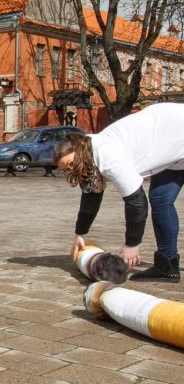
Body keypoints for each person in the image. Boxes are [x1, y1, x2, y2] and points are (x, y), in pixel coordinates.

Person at [55, 103, 184, 282]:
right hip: (172, 145)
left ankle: (167, 264)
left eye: (71, 164)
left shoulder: (108, 155)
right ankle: (167, 266)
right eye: (66, 169)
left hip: (176, 130)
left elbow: (136, 200)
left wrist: (132, 244)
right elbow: (92, 194)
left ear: (79, 150)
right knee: (161, 199)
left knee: (159, 199)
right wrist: (80, 233)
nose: (71, 170)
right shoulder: (88, 152)